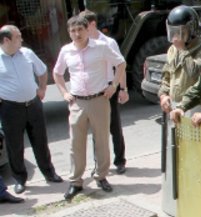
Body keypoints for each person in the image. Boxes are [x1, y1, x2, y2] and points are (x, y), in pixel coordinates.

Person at [53, 15, 126, 200]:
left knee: (101, 141)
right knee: (75, 144)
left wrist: (114, 85)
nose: (77, 34)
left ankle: (101, 177)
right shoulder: (66, 51)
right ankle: (76, 182)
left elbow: (121, 63)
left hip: (99, 100)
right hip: (77, 102)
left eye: (80, 30)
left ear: (87, 30)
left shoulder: (101, 47)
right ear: (69, 33)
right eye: (73, 31)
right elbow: (57, 73)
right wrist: (64, 93)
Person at [158, 5, 201, 216]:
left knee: (195, 158)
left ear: (192, 31)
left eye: (179, 33)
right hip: (175, 109)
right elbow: (166, 76)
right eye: (172, 33)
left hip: (195, 109)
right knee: (177, 156)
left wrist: (184, 50)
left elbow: (197, 74)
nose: (174, 38)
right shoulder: (172, 50)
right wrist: (163, 95)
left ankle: (197, 202)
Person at [0, 25, 63, 194]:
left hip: (33, 104)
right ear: (6, 40)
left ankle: (49, 173)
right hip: (10, 108)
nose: (21, 39)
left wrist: (42, 89)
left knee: (40, 141)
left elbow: (42, 71)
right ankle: (20, 179)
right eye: (18, 37)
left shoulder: (27, 53)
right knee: (15, 146)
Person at [80, 10, 129, 175]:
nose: (80, 31)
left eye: (83, 27)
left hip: (109, 88)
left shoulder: (108, 42)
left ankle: (120, 160)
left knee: (114, 127)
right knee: (97, 130)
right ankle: (99, 165)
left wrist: (122, 88)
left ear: (92, 25)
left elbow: (120, 66)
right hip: (94, 91)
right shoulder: (83, 44)